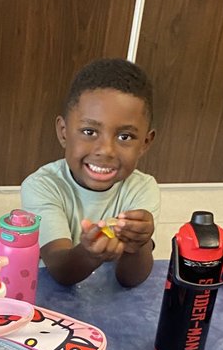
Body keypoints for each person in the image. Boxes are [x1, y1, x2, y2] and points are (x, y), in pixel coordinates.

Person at [20, 58, 159, 288]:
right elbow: (61, 272)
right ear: (64, 132)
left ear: (145, 143)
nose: (105, 151)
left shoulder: (142, 189)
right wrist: (90, 253)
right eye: (89, 131)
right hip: (52, 302)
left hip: (110, 303)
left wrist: (139, 245)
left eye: (125, 137)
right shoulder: (41, 186)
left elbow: (131, 280)